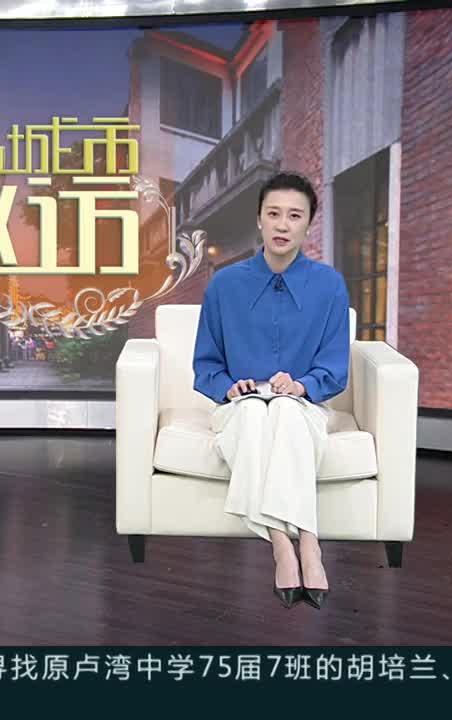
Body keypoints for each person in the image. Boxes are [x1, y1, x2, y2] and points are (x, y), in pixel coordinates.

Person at [192, 171, 350, 610]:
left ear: (309, 224)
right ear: (259, 219)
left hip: (302, 405)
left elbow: (334, 366)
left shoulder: (329, 285)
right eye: (273, 214)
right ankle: (284, 545)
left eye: (294, 216)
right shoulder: (224, 284)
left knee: (283, 410)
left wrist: (300, 385)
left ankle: (309, 544)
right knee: (254, 413)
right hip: (239, 406)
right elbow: (205, 366)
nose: (283, 225)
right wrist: (231, 388)